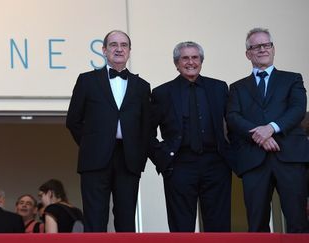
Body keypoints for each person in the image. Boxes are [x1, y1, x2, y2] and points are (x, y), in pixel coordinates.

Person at [66, 30, 151, 232]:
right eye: (113, 45)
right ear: (104, 50)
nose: (119, 49)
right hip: (95, 159)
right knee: (95, 220)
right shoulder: (86, 81)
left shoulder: (142, 86)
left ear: (130, 51)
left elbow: (146, 127)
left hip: (128, 160)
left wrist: (140, 155)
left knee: (126, 220)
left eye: (124, 45)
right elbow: (73, 120)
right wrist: (92, 144)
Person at [226, 27, 309, 233]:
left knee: (297, 220)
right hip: (254, 160)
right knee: (256, 223)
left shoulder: (293, 79)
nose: (262, 49)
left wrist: (271, 128)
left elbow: (298, 109)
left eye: (267, 45)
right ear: (248, 54)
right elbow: (233, 116)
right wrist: (260, 136)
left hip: (289, 157)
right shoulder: (237, 87)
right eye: (256, 46)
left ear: (273, 49)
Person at [149, 41, 231, 232]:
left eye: (195, 57)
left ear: (201, 61)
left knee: (219, 227)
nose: (190, 62)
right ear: (176, 64)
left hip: (216, 165)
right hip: (179, 165)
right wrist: (163, 158)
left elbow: (233, 124)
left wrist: (231, 155)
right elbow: (147, 132)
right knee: (181, 228)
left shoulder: (219, 88)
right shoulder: (162, 93)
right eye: (185, 58)